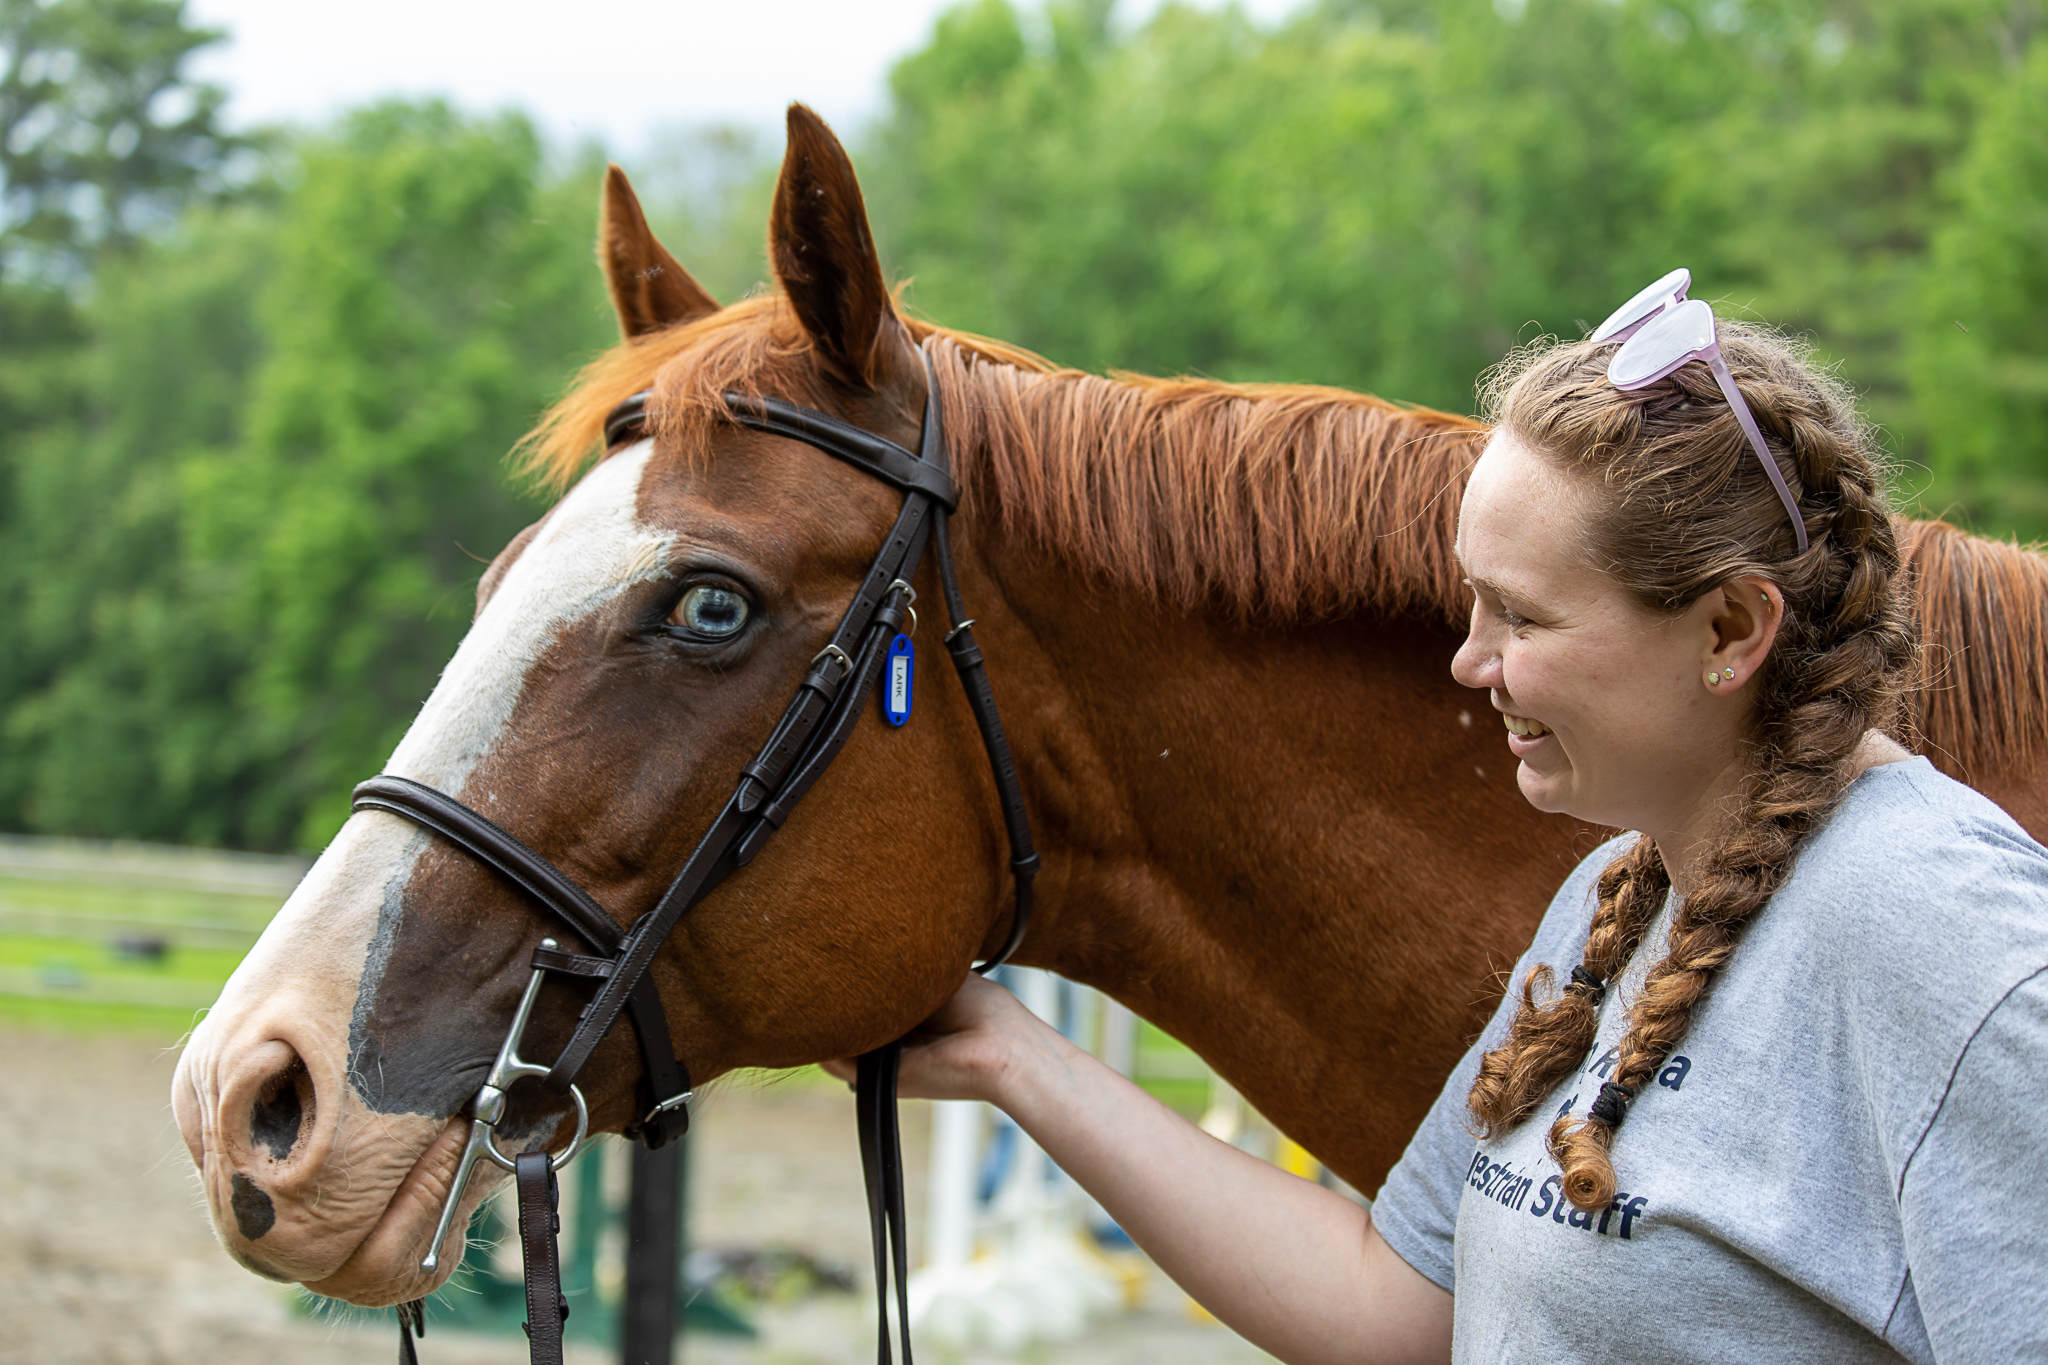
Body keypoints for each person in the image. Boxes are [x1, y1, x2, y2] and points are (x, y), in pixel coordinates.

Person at [835, 276, 2048, 1364]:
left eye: (1521, 619)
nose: (1468, 663)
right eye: (1471, 603)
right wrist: (1011, 1059)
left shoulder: (1948, 941)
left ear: (1729, 632)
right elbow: (1395, 1311)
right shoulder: (1620, 901)